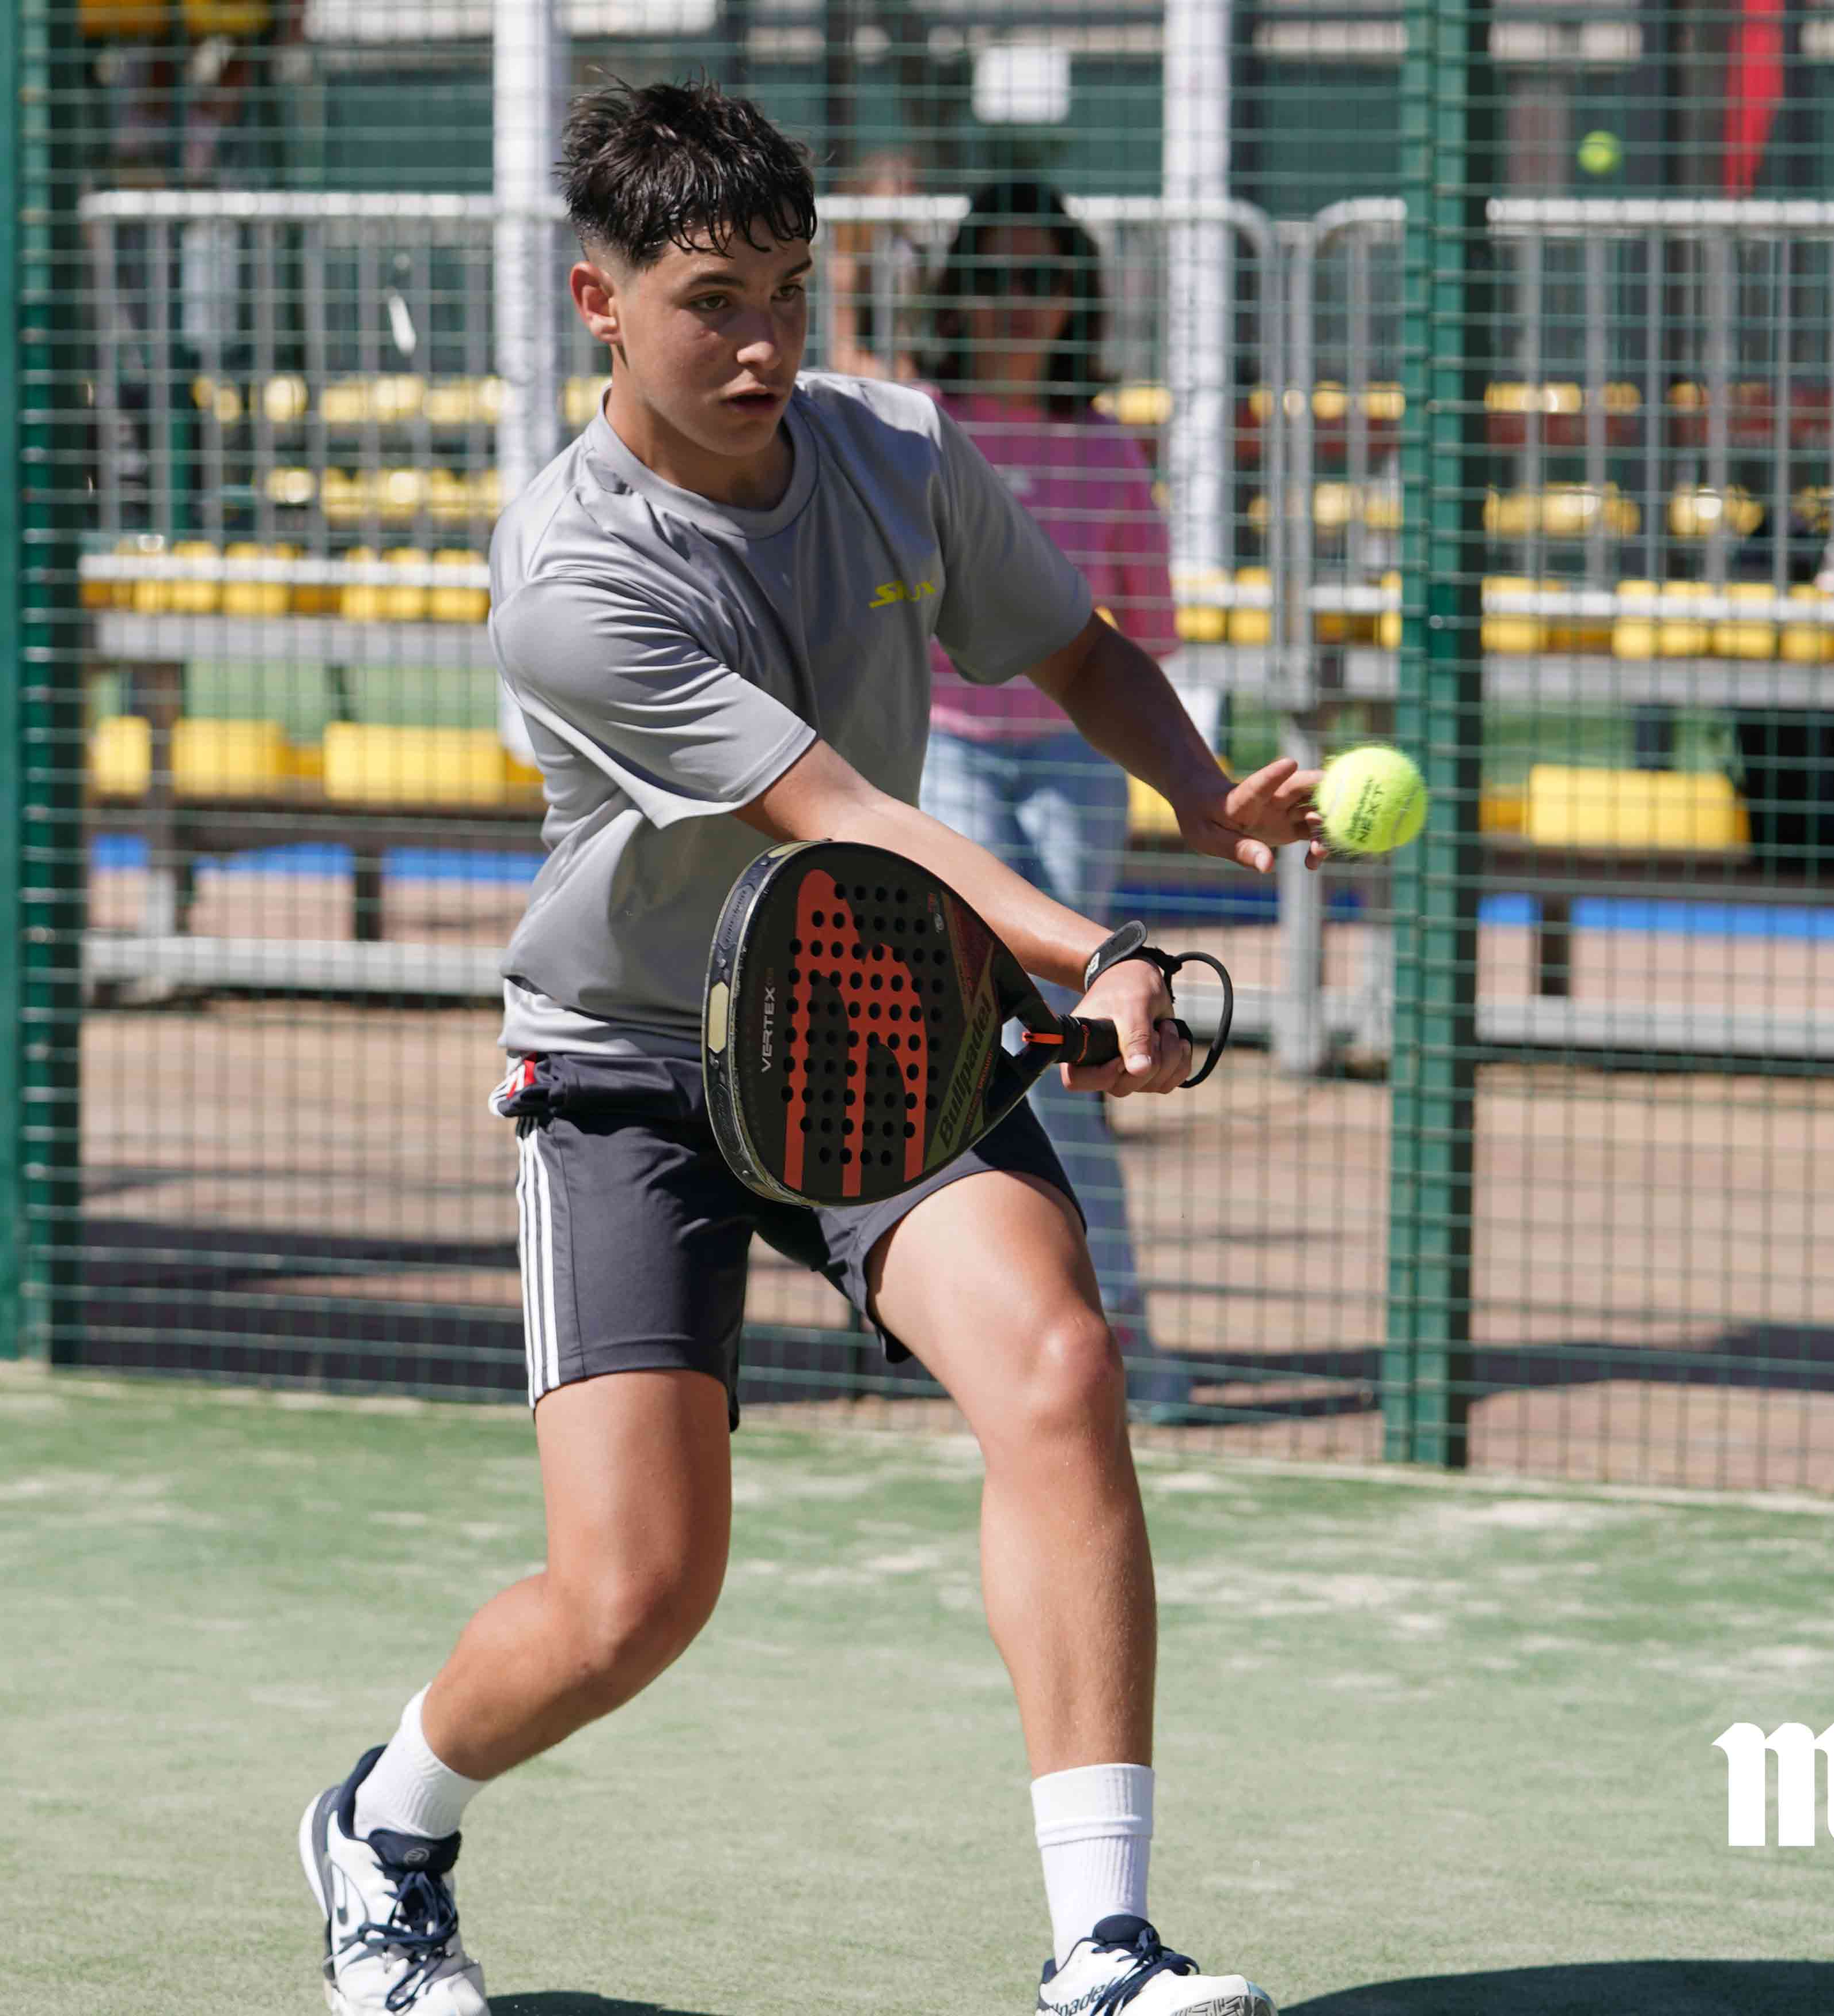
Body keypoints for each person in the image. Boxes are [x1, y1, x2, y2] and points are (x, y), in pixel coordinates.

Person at [295, 81, 1321, 2016]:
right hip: (631, 1062)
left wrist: (1198, 796)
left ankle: (1103, 1944)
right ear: (601, 302)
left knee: (1057, 1367)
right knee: (633, 1598)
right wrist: (1102, 953)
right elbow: (842, 811)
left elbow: (1077, 647)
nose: (764, 342)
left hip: (868, 1014)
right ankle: (386, 1824)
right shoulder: (575, 575)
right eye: (713, 302)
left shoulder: (894, 450)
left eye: (788, 290)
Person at [916, 178, 1187, 1414]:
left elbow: (1146, 636)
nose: (1019, 305)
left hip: (1074, 760)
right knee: (999, 1030)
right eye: (996, 279)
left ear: (1076, 300)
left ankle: (1102, 1331)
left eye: (1044, 280)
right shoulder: (920, 432)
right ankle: (994, 1330)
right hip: (948, 750)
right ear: (959, 296)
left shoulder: (1104, 447)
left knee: (1065, 1041)